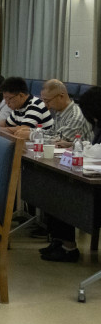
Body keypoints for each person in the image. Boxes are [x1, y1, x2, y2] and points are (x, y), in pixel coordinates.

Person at [36, 80, 95, 263]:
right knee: (51, 186)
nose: (46, 105)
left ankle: (68, 247)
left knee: (61, 192)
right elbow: (53, 135)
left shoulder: (76, 114)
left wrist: (31, 134)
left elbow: (59, 138)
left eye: (48, 101)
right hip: (73, 166)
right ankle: (58, 240)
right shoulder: (61, 112)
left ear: (61, 96)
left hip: (83, 175)